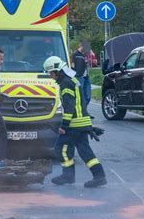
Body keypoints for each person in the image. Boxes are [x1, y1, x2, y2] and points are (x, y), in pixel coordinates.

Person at [43, 56, 107, 188]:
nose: (50, 76)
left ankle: (68, 175)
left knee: (60, 148)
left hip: (74, 123)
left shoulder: (65, 83)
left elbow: (69, 106)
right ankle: (99, 176)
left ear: (56, 71)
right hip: (82, 121)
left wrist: (64, 126)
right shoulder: (72, 80)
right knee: (84, 150)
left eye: (50, 73)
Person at [71, 43, 92, 109]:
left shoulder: (84, 55)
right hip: (79, 77)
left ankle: (84, 111)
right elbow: (72, 66)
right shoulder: (75, 55)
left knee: (88, 96)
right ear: (82, 46)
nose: (87, 51)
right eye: (86, 49)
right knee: (81, 96)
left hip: (86, 77)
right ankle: (82, 112)